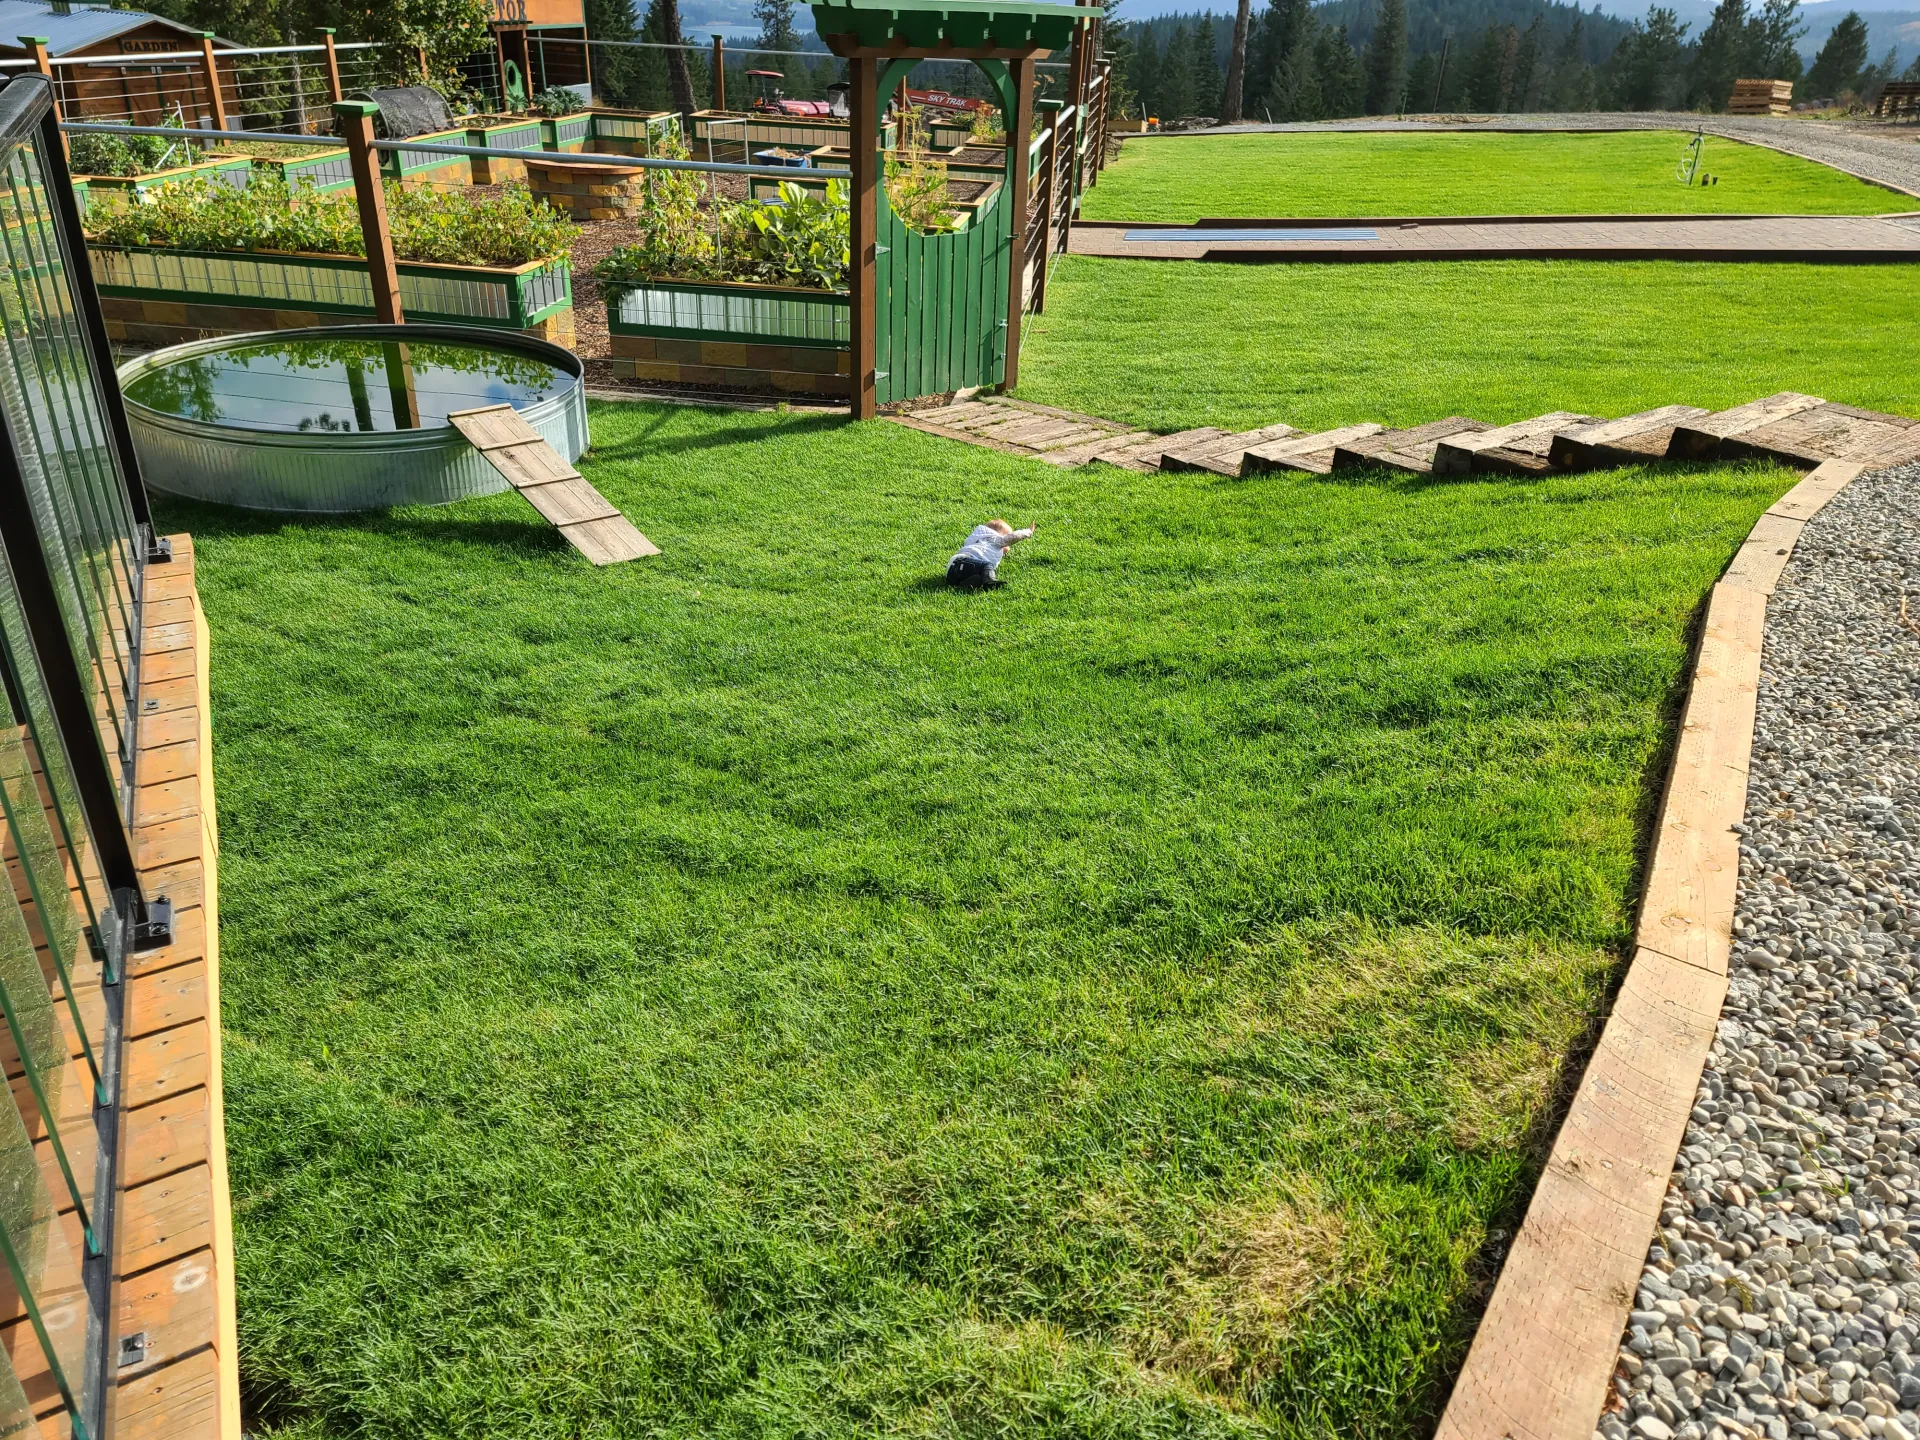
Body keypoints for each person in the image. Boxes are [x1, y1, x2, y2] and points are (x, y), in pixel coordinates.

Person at [946, 518, 1035, 589]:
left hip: (952, 569)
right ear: (1000, 535)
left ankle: (963, 582)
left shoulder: (978, 541)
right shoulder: (995, 540)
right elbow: (1013, 537)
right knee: (987, 566)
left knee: (981, 574)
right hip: (964, 562)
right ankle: (989, 581)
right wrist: (1028, 532)